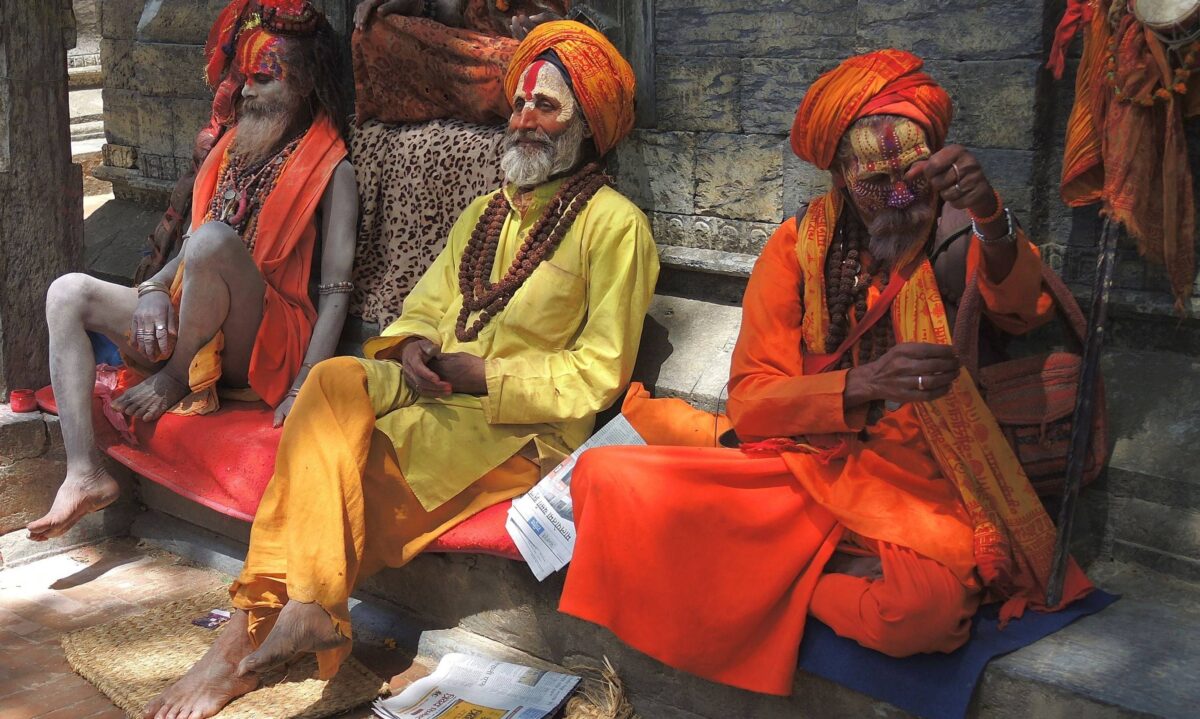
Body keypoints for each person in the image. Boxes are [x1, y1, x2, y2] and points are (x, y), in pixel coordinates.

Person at [143, 21, 656, 719]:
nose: (525, 120)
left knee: (356, 461)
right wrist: (412, 346)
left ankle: (234, 646)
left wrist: (484, 376)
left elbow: (599, 373)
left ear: (589, 126)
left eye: (548, 107)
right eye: (520, 104)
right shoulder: (482, 213)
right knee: (327, 383)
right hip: (427, 382)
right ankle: (310, 607)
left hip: (514, 426)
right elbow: (422, 309)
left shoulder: (617, 226)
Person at [559, 49, 1095, 696]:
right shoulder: (796, 249)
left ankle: (780, 580)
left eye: (913, 177)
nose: (900, 197)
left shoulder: (961, 234)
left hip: (919, 482)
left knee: (925, 612)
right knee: (604, 477)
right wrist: (864, 384)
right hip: (807, 467)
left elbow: (1021, 308)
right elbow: (753, 404)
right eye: (877, 182)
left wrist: (991, 217)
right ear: (840, 177)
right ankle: (807, 566)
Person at [27, 0, 357, 543]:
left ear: (305, 85)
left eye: (264, 79)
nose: (246, 91)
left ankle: (176, 377)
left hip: (262, 345)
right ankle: (83, 471)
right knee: (68, 293)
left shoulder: (334, 168)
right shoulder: (230, 150)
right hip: (193, 310)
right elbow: (189, 253)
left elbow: (338, 292)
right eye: (243, 78)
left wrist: (303, 388)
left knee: (212, 239)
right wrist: (155, 290)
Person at [352, 0, 570, 125]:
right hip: (470, 51)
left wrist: (554, 32)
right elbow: (450, 14)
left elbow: (586, 27)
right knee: (371, 31)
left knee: (534, 71)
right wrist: (415, 5)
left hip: (530, 57)